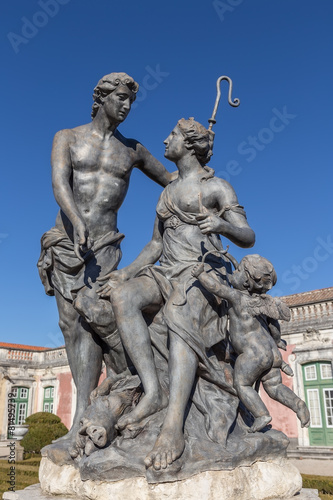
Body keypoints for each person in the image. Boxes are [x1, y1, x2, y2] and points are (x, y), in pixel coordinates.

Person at [100, 117, 255, 470]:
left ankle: (173, 428)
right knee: (123, 297)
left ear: (189, 143)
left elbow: (248, 236)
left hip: (202, 274)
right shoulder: (166, 192)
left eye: (171, 135)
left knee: (178, 312)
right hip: (165, 270)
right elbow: (155, 244)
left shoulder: (218, 187)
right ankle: (153, 391)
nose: (165, 140)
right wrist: (122, 274)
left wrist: (222, 225)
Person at [37, 72, 174, 442]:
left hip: (106, 247)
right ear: (101, 98)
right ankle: (80, 415)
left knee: (98, 323)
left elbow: (172, 180)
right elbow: (59, 182)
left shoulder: (133, 150)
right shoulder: (66, 137)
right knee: (72, 327)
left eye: (131, 100)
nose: (126, 106)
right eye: (120, 98)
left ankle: (103, 407)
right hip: (68, 243)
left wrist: (200, 167)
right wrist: (76, 219)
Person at [192, 254, 310, 433]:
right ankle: (298, 404)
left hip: (253, 355)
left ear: (246, 282)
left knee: (242, 385)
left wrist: (201, 274)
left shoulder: (237, 297)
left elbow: (217, 288)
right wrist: (278, 340)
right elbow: (274, 325)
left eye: (239, 270)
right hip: (272, 354)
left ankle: (261, 414)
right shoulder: (261, 302)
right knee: (275, 386)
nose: (235, 271)